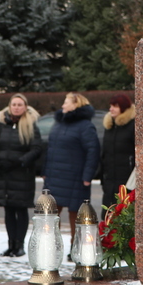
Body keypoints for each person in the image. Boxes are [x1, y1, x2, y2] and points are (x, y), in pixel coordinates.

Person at [0, 94, 44, 257]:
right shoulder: (2, 126)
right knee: (8, 210)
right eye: (14, 104)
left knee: (20, 210)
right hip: (3, 174)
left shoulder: (31, 126)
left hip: (21, 174)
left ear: (25, 107)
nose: (17, 107)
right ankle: (11, 244)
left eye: (20, 104)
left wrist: (20, 162)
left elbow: (36, 149)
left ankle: (19, 245)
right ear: (9, 106)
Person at [43, 91, 100, 249]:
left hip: (75, 178)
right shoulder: (59, 123)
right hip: (55, 177)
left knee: (76, 215)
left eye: (66, 102)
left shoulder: (85, 126)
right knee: (52, 214)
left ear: (76, 105)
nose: (62, 105)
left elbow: (93, 151)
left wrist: (88, 176)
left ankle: (76, 248)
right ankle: (53, 247)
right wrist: (45, 171)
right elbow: (51, 149)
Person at [100, 94, 136, 207]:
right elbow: (104, 154)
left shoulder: (133, 126)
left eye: (115, 106)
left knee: (123, 214)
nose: (111, 109)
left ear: (124, 108)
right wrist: (103, 178)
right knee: (107, 215)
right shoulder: (110, 126)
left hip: (127, 181)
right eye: (110, 106)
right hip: (109, 180)